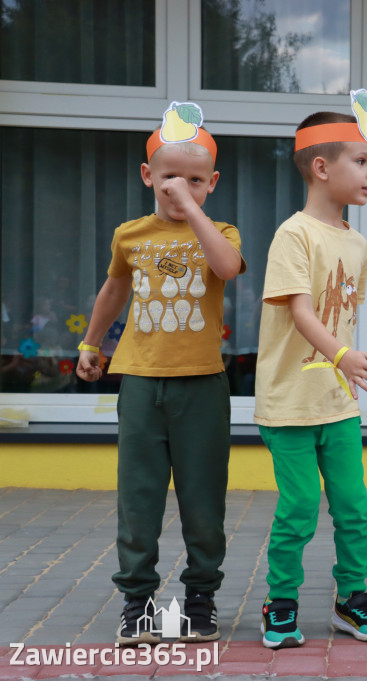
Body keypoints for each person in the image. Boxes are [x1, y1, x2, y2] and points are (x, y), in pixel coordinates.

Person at [76, 101, 244, 645]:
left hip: (202, 385)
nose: (181, 188)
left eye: (196, 180)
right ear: (148, 175)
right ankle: (138, 603)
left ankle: (200, 599)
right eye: (170, 177)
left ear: (211, 183)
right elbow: (115, 290)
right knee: (139, 497)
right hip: (142, 382)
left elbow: (225, 268)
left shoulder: (221, 231)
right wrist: (90, 342)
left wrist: (191, 211)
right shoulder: (130, 235)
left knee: (202, 499)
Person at [254, 90, 367, 648]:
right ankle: (280, 601)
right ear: (321, 167)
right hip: (289, 404)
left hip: (337, 404)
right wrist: (342, 356)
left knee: (355, 508)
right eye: (361, 162)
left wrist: (344, 365)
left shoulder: (356, 242)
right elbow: (301, 310)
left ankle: (350, 599)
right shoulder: (294, 234)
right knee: (300, 508)